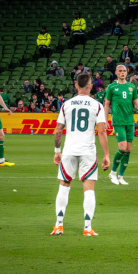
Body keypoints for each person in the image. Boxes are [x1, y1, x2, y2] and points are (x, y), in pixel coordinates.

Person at [51, 73, 110, 237]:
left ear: (76, 86)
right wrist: (106, 155)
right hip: (88, 152)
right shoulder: (97, 105)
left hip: (69, 150)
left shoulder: (66, 105)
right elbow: (102, 131)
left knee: (63, 187)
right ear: (91, 86)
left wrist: (57, 152)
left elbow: (58, 131)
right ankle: (87, 228)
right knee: (89, 190)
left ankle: (58, 225)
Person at [104, 65, 138, 185]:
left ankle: (121, 176)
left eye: (124, 71)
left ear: (127, 72)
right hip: (118, 121)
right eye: (120, 71)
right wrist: (105, 120)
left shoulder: (131, 87)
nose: (122, 73)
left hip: (130, 121)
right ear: (116, 73)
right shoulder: (111, 87)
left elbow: (135, 102)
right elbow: (107, 105)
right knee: (122, 147)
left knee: (128, 149)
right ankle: (113, 173)